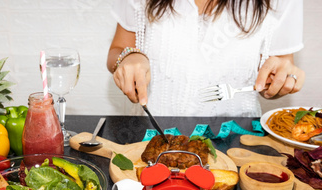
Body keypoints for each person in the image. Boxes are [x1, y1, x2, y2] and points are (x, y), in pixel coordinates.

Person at [107, 0, 305, 117]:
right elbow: (117, 50)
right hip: (157, 138)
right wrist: (129, 56)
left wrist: (282, 78)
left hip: (238, 147)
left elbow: (276, 77)